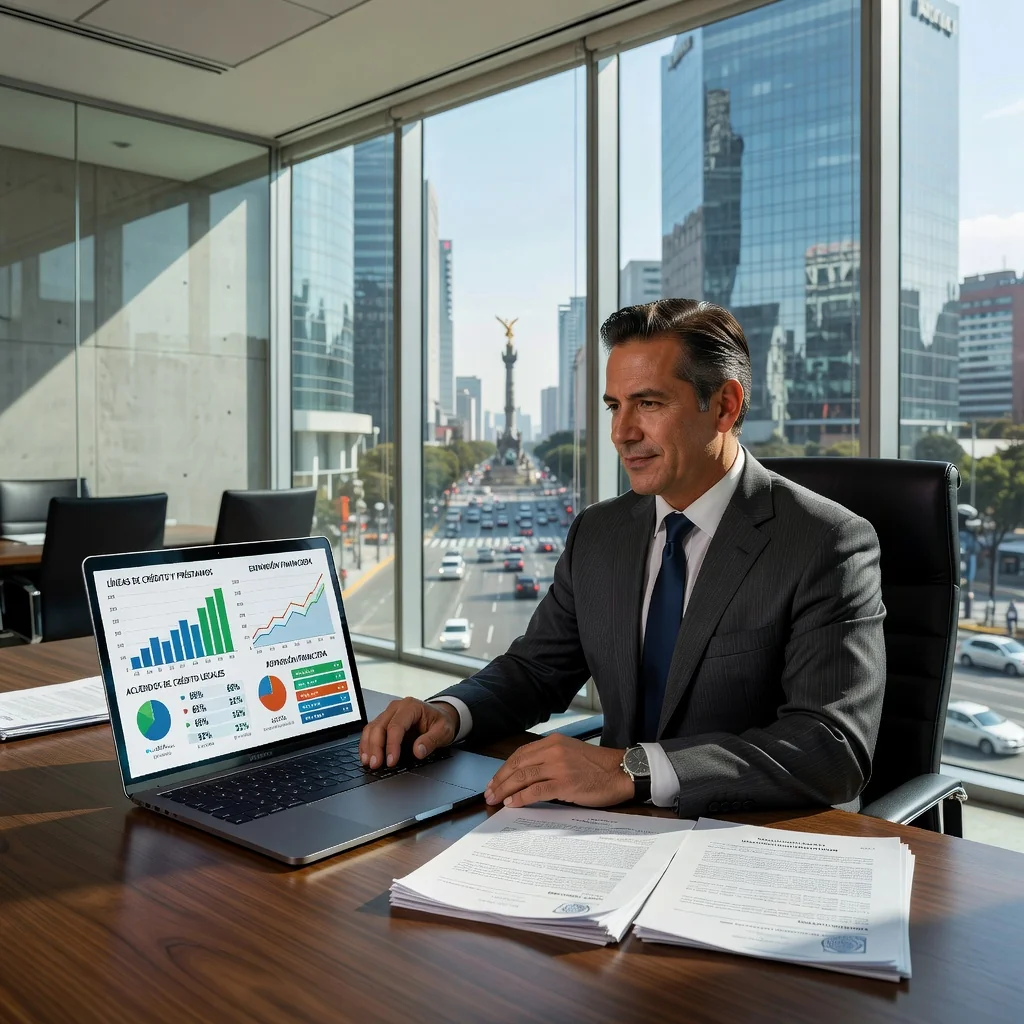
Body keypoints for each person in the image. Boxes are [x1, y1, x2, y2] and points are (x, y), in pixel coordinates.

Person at [360, 299, 886, 818]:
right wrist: (449, 712)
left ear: (725, 406)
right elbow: (536, 669)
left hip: (742, 841)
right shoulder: (600, 531)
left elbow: (831, 746)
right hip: (602, 834)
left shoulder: (826, 542)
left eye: (649, 404)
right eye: (615, 406)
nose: (621, 432)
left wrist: (630, 769)